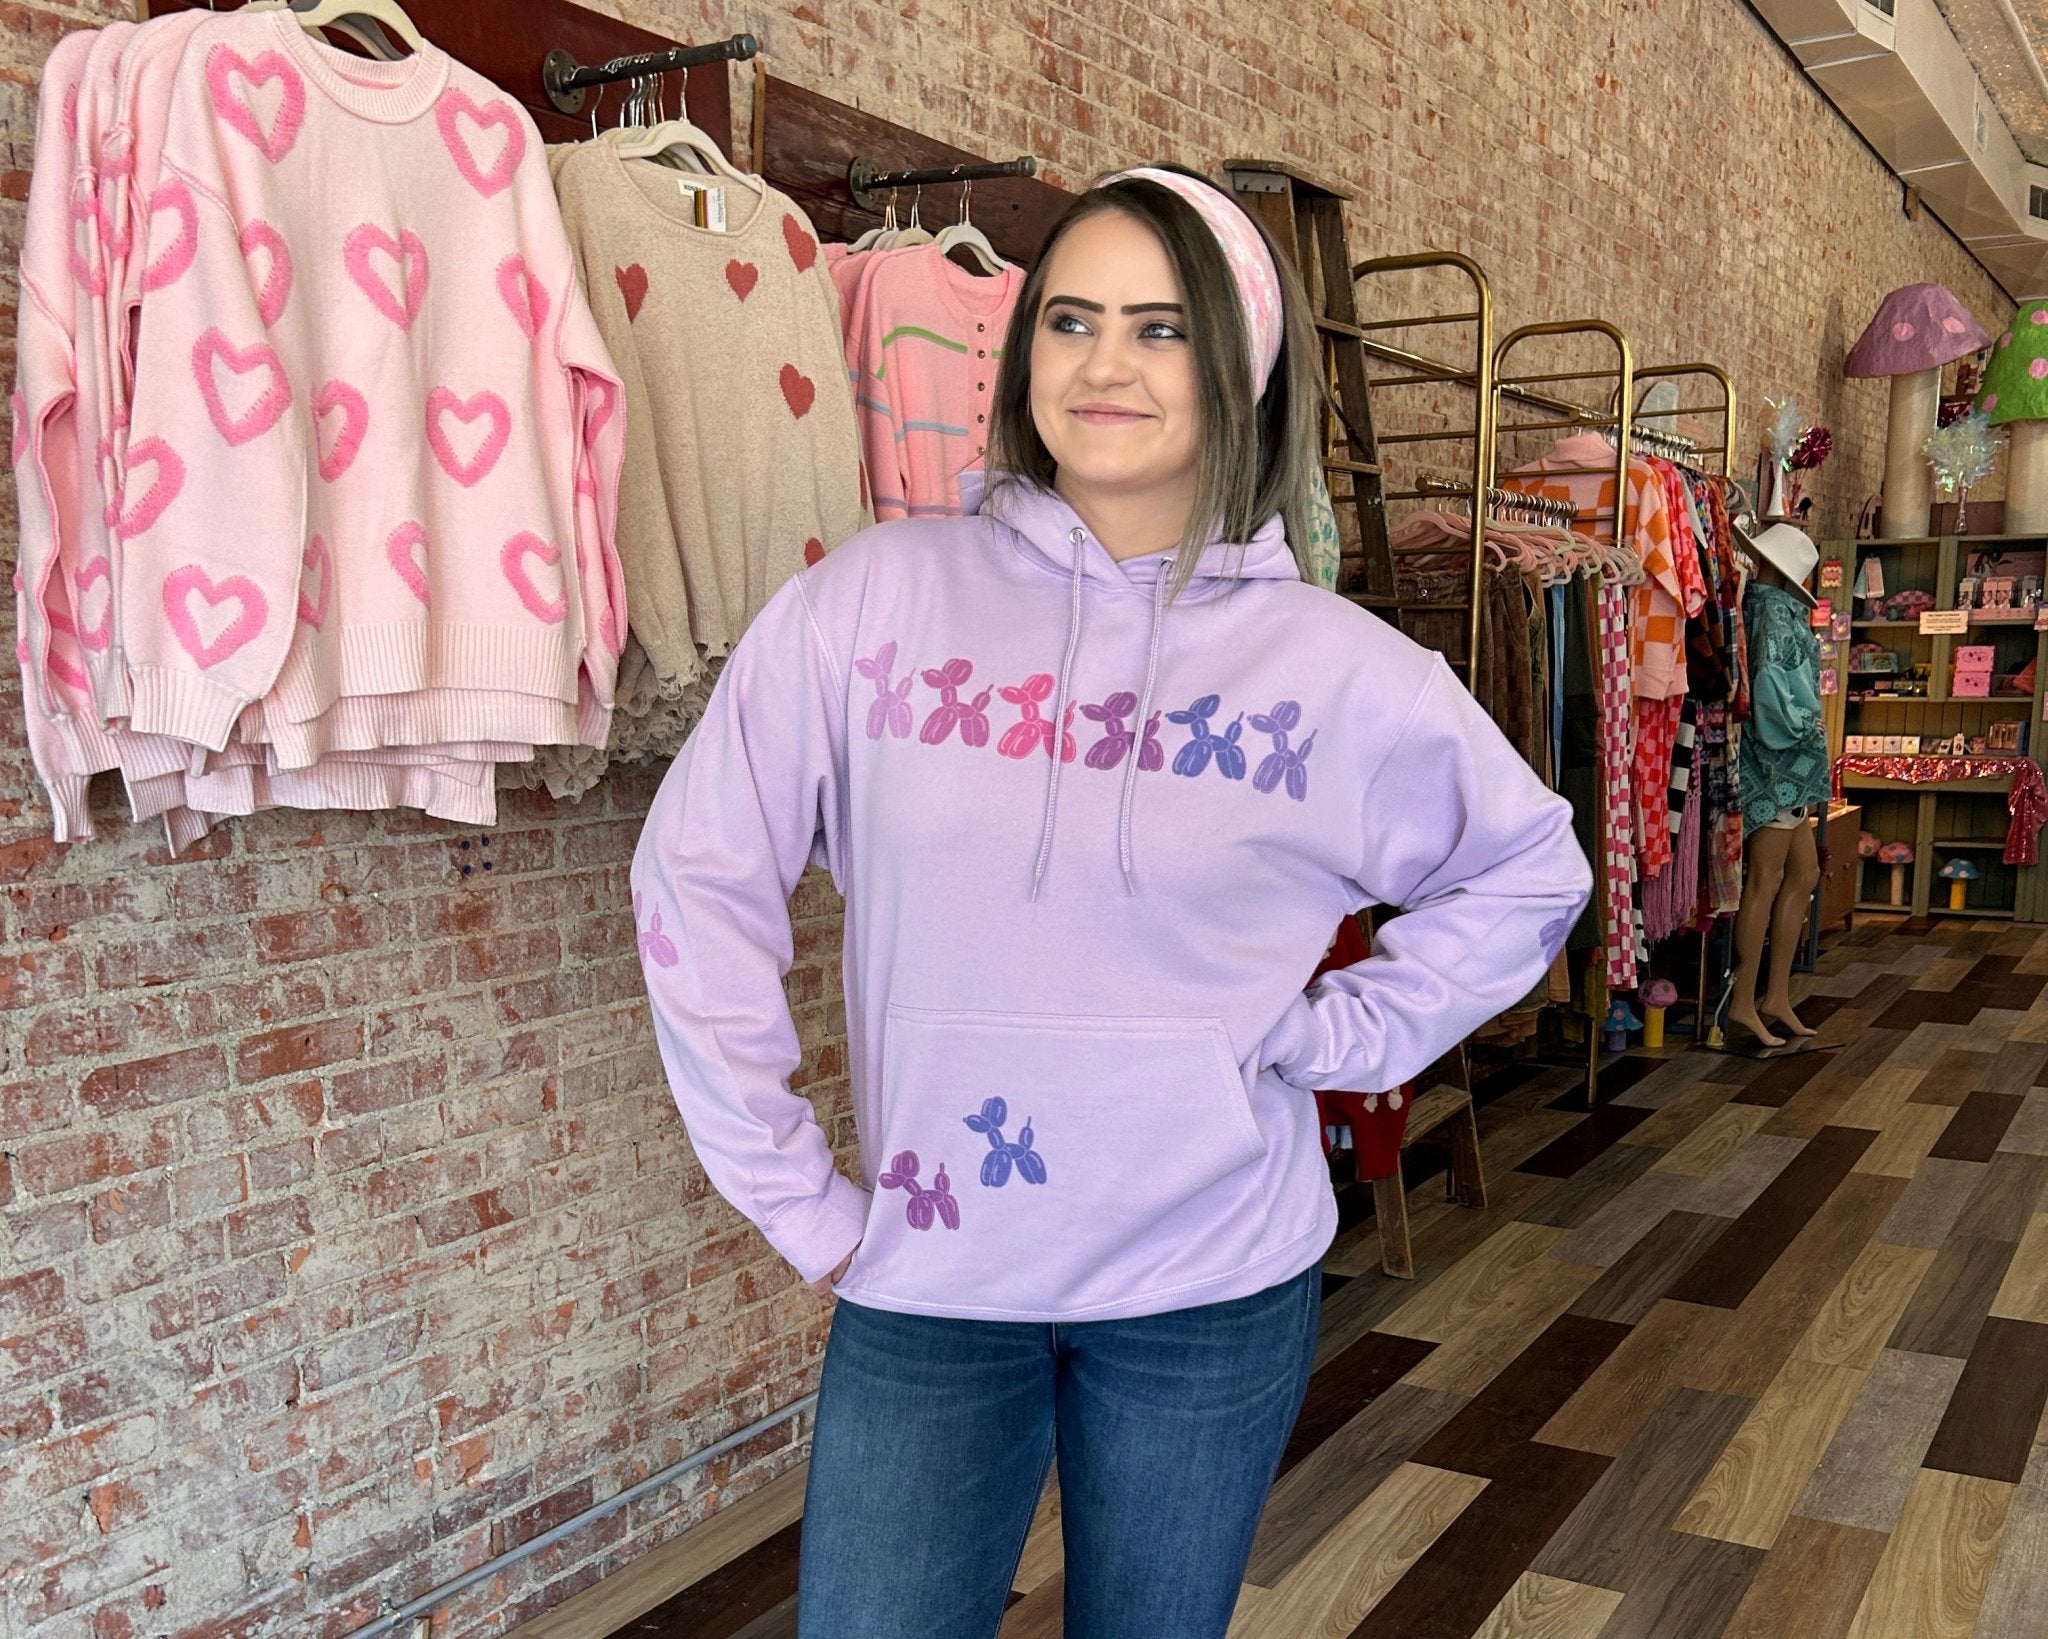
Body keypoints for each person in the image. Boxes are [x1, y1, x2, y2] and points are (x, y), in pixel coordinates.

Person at [629, 164, 1592, 1639]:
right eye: (1069, 319)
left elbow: (1528, 868)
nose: (1103, 362)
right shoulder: (870, 603)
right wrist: (795, 1195)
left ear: (1241, 364)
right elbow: (695, 878)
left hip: (1209, 1285)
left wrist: (1337, 1032)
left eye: (1160, 327)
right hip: (931, 1274)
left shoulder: (1340, 671)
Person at [1724, 520, 1830, 1048]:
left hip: (1784, 761)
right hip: (1778, 761)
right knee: (1767, 879)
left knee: (1801, 872)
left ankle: (1774, 996)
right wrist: (1807, 724)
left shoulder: (1767, 608)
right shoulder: (1775, 612)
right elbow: (1770, 688)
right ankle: (1745, 1001)